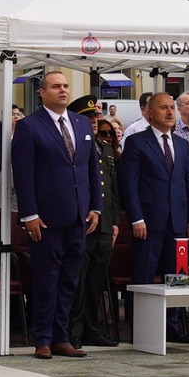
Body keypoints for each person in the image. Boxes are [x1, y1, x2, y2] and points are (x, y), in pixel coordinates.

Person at [12, 69, 98, 359]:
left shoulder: (82, 122)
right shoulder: (29, 126)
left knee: (69, 281)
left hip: (78, 215)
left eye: (65, 86)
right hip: (46, 217)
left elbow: (90, 168)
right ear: (42, 92)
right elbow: (23, 175)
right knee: (46, 280)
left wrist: (95, 206)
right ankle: (42, 339)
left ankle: (63, 336)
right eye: (56, 86)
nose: (63, 91)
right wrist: (29, 214)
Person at [123, 90, 189, 345]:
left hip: (177, 221)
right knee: (144, 276)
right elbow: (129, 185)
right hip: (149, 221)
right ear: (149, 113)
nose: (170, 113)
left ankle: (172, 325)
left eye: (171, 108)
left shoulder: (181, 143)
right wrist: (136, 219)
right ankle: (141, 326)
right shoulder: (137, 142)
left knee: (176, 276)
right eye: (164, 108)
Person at [77, 99, 125, 346]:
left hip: (105, 224)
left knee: (96, 279)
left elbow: (112, 190)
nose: (94, 121)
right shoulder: (76, 147)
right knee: (79, 278)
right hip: (84, 223)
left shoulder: (104, 149)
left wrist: (115, 221)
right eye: (89, 118)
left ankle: (91, 327)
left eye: (95, 117)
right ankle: (74, 329)